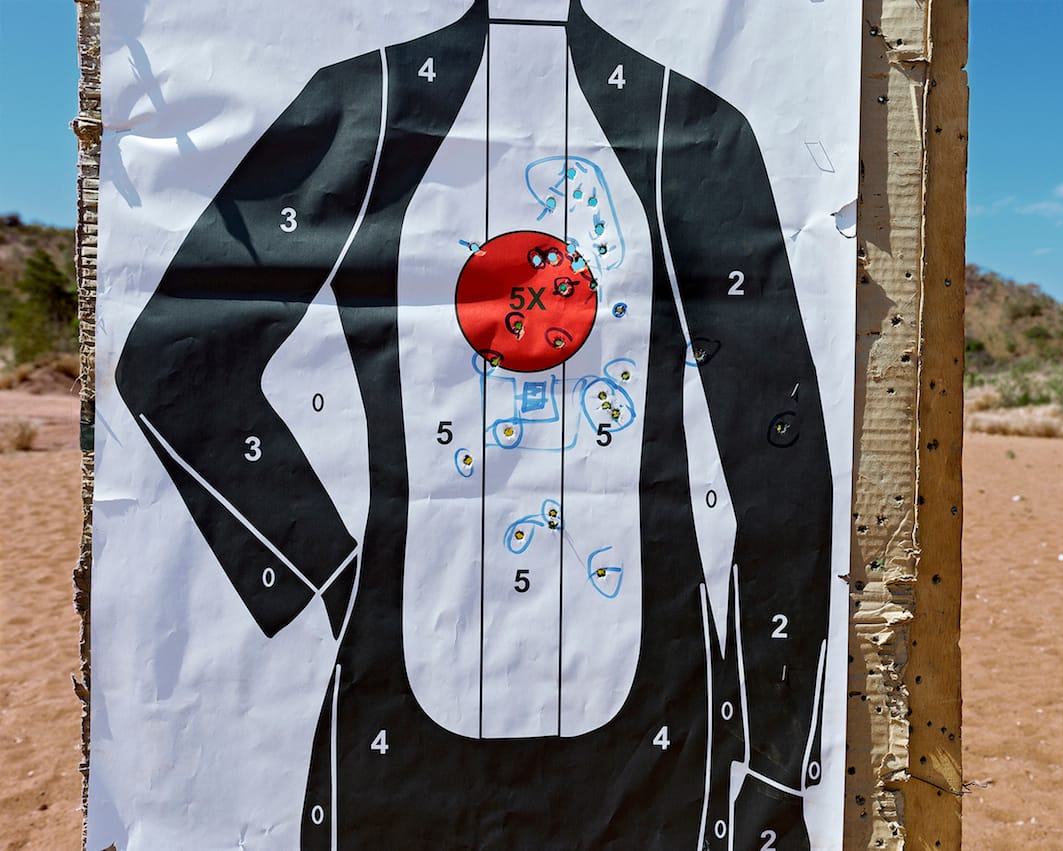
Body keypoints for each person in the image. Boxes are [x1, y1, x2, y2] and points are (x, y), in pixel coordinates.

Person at [115, 1, 834, 846]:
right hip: (437, 701)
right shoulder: (369, 110)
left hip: (639, 709)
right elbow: (177, 365)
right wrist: (326, 570)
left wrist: (780, 751)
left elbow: (777, 450)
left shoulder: (690, 127)